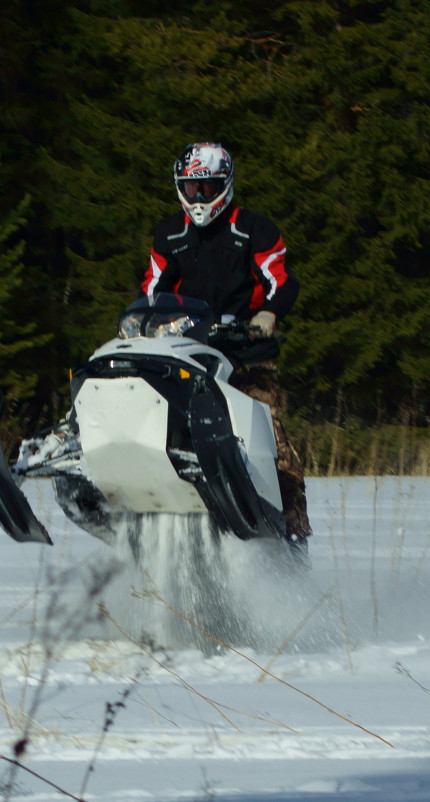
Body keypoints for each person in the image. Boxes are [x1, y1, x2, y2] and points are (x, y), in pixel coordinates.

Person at [140, 142, 312, 548]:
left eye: (208, 187)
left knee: (270, 436)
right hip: (188, 350)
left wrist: (267, 315)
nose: (199, 198)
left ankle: (293, 525)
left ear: (226, 185)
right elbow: (152, 289)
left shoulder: (253, 229)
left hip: (245, 353)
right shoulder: (170, 234)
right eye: (191, 188)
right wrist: (152, 320)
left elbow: (282, 280)